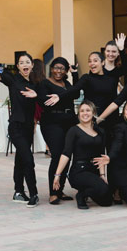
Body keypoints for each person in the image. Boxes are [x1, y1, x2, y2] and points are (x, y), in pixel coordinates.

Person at [0, 46, 39, 207]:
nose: (25, 65)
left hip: (27, 128)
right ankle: (34, 193)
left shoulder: (34, 84)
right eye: (21, 63)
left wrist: (33, 125)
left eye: (27, 62)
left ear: (32, 65)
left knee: (20, 159)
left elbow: (34, 108)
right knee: (28, 159)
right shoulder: (13, 80)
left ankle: (18, 192)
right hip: (16, 127)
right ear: (18, 66)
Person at [53, 101, 112, 209]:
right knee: (102, 188)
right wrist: (57, 175)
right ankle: (81, 195)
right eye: (82, 111)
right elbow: (66, 154)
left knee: (107, 201)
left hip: (93, 170)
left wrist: (102, 175)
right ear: (79, 114)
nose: (85, 113)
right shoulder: (74, 130)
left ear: (93, 112)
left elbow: (101, 155)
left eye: (88, 110)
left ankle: (85, 190)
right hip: (79, 171)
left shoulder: (100, 131)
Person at [36, 57, 79, 204]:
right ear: (51, 68)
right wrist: (63, 98)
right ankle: (53, 193)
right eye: (56, 67)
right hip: (52, 123)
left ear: (66, 70)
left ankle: (60, 190)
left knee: (67, 155)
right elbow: (44, 101)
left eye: (62, 68)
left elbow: (76, 93)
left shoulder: (66, 83)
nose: (58, 71)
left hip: (69, 122)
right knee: (57, 155)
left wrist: (75, 74)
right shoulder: (45, 83)